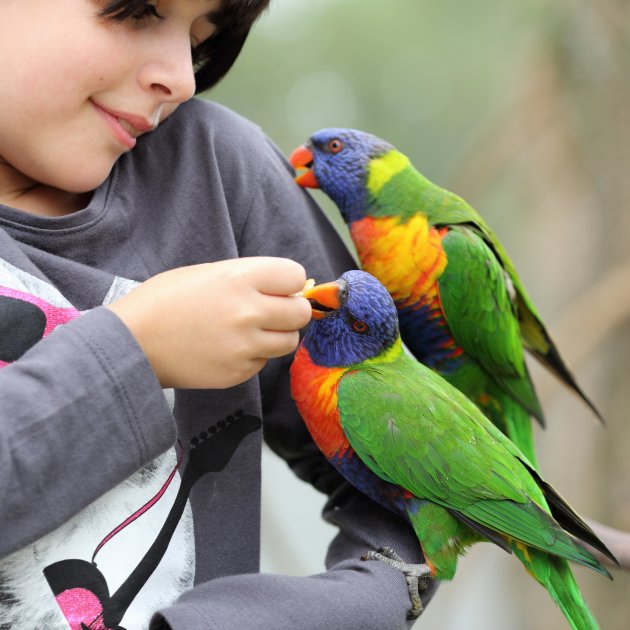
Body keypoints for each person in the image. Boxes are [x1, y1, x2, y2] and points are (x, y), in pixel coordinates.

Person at [0, 1, 435, 628]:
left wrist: (310, 612)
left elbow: (419, 476)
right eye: (140, 10)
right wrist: (136, 350)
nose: (182, 76)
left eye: (202, 39)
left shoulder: (220, 175)